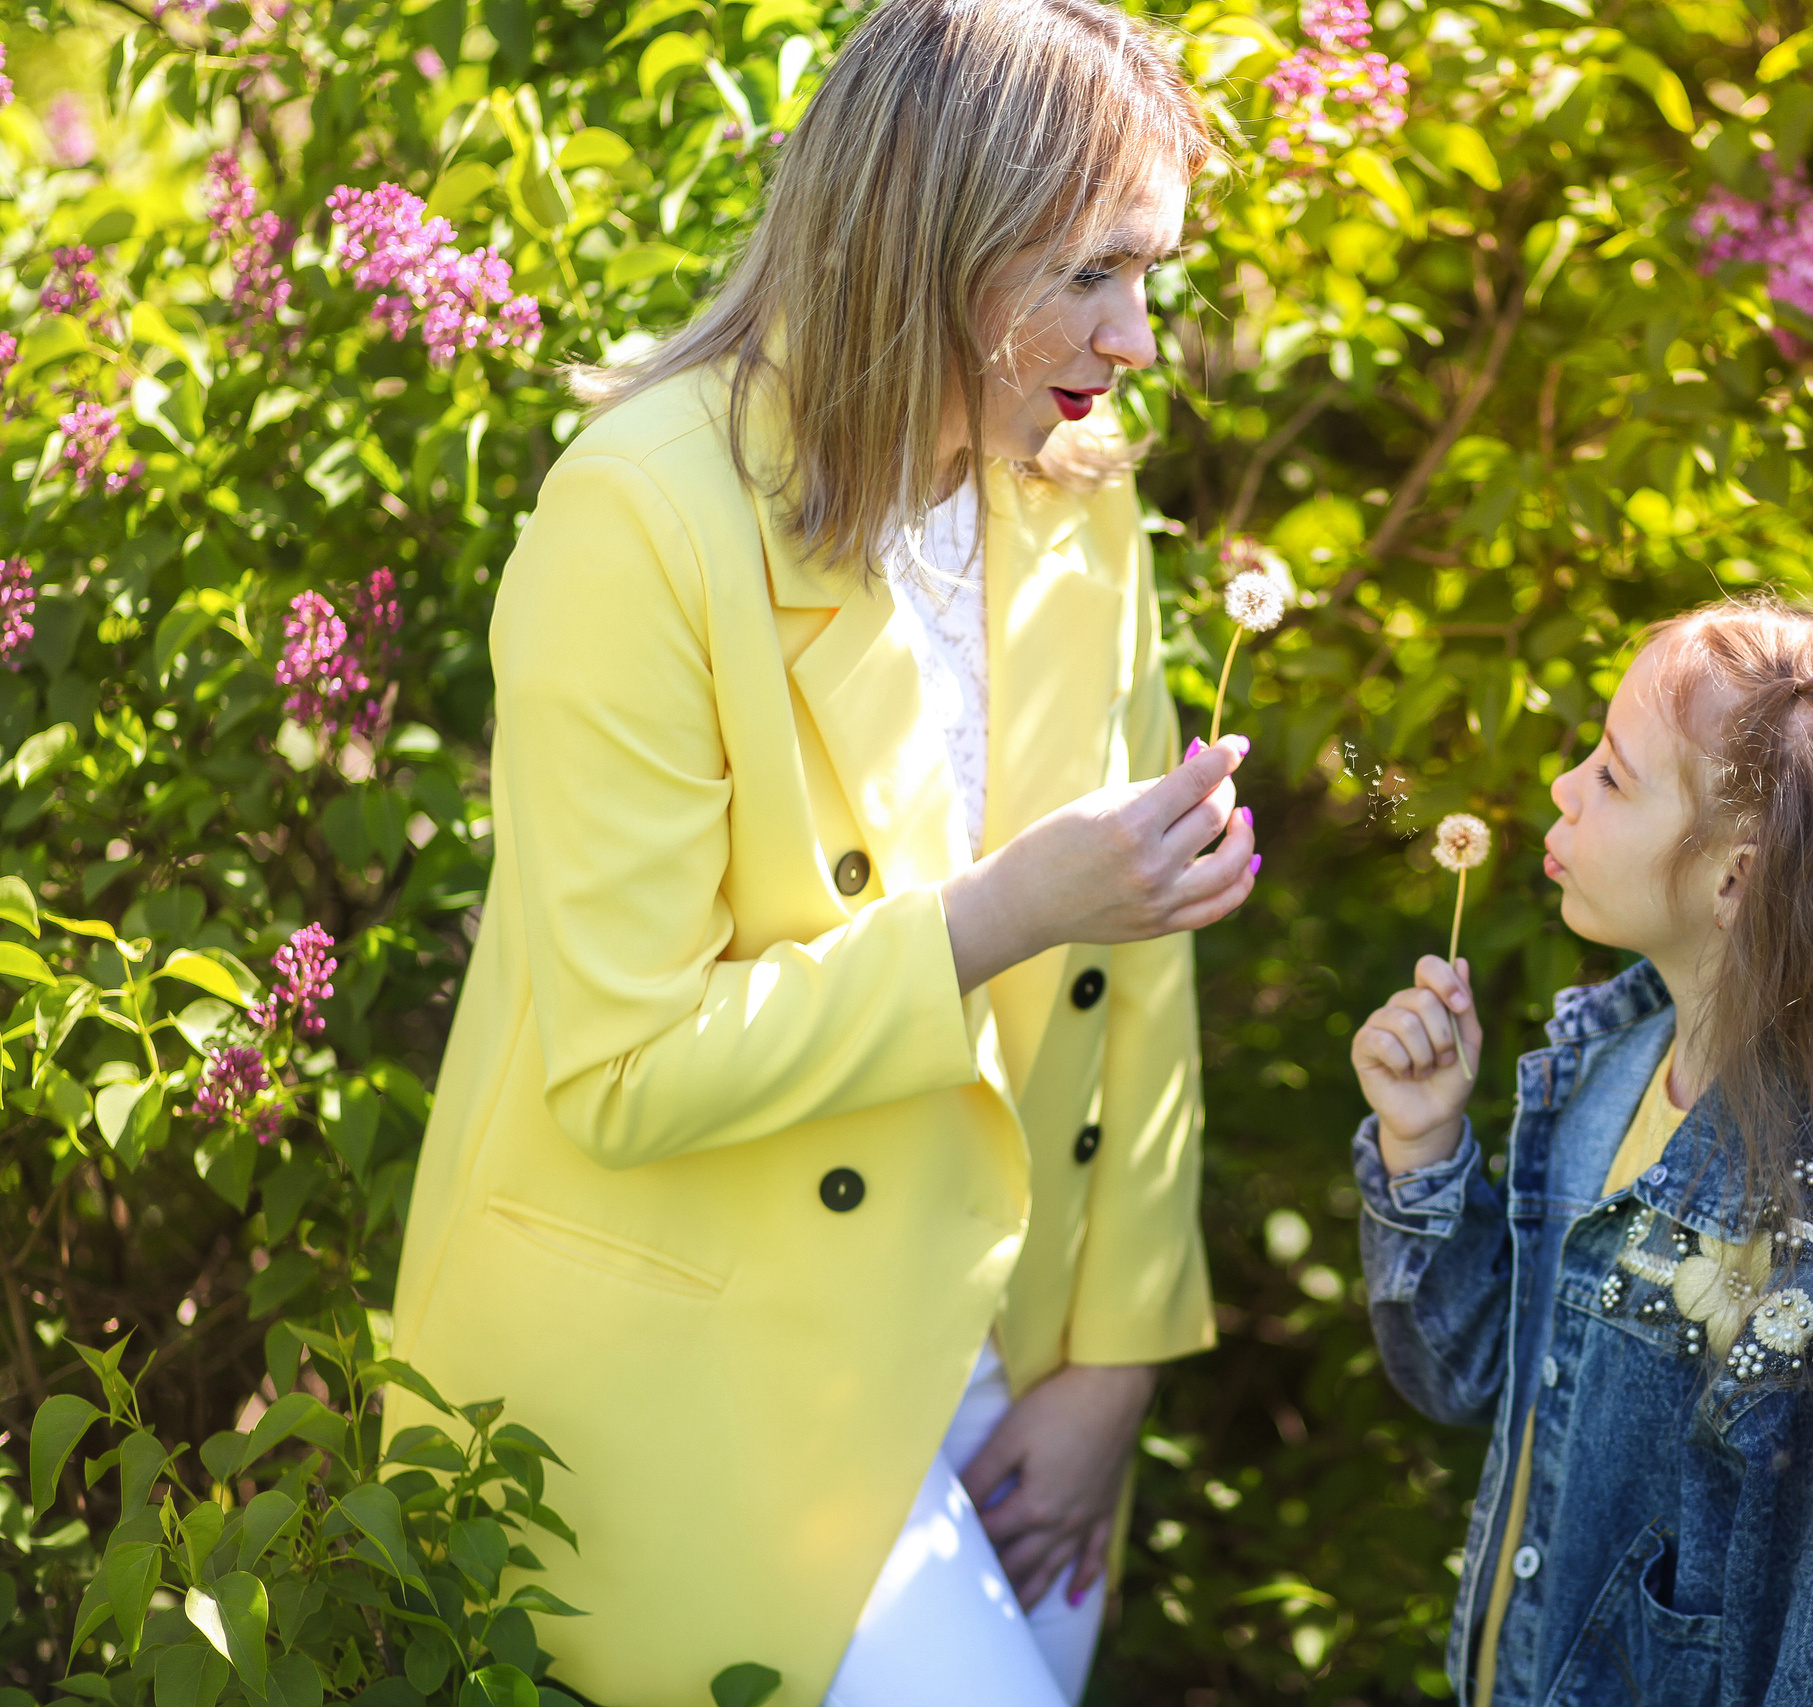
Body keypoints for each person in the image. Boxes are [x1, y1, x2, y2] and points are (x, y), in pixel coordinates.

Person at [382, 4, 1248, 1702]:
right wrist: (1001, 914)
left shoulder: (1076, 488)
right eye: (1091, 274)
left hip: (1012, 1353)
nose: (1135, 335)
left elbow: (1138, 962)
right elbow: (626, 1065)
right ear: (934, 243)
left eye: (1149, 275)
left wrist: (1118, 1356)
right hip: (711, 1362)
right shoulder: (642, 515)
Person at [1348, 601, 1813, 1704]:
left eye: (1614, 778)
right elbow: (1464, 1374)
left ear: (1736, 879)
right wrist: (1421, 1146)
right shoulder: (1604, 1075)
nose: (1561, 789)